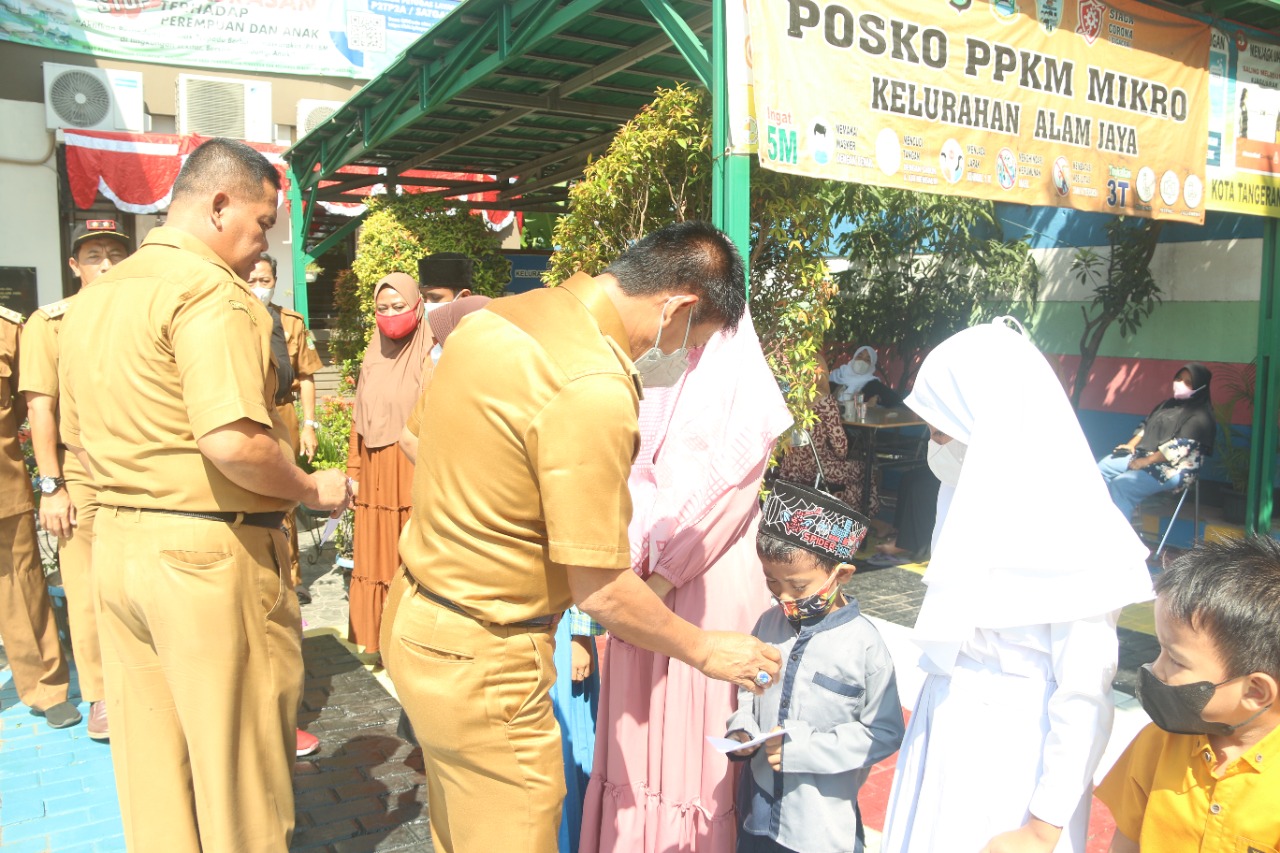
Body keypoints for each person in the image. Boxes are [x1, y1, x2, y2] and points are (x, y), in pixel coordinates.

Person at [383, 221, 782, 853]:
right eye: (692, 341)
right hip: (488, 653)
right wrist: (702, 649)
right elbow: (600, 591)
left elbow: (417, 439)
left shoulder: (500, 320)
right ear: (676, 306)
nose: (683, 357)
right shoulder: (593, 385)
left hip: (416, 618)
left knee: (456, 831)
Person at [57, 138, 350, 852]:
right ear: (219, 204)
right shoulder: (209, 292)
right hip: (206, 555)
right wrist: (312, 487)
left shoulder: (94, 303)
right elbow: (232, 442)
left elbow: (84, 438)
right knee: (239, 774)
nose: (259, 248)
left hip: (120, 546)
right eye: (258, 225)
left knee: (154, 768)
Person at [879, 319, 1154, 853]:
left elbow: (1084, 697)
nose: (933, 440)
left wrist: (1043, 824)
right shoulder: (965, 496)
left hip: (1013, 760)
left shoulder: (1079, 534)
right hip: (943, 734)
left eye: (941, 426)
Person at [581, 303, 792, 853]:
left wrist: (660, 579)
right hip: (644, 580)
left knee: (697, 749)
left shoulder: (739, 384)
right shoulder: (659, 375)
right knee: (637, 733)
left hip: (705, 580)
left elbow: (727, 499)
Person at [725, 480, 905, 853]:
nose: (785, 598)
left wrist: (806, 749)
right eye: (773, 583)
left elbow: (884, 732)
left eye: (798, 586)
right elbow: (749, 690)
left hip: (820, 827)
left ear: (841, 575)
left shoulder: (864, 647)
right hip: (757, 813)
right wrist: (742, 730)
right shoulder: (767, 624)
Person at [18, 219, 133, 739]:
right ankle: (102, 695)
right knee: (86, 589)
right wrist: (52, 485)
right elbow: (40, 408)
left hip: (139, 469)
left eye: (114, 253)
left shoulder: (138, 313)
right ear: (73, 266)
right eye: (93, 256)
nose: (106, 264)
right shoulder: (51, 323)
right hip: (82, 476)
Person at [1095, 536, 1279, 853]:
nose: (1155, 669)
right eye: (1160, 650)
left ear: (1255, 691)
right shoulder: (1155, 744)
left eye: (1176, 660)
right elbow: (1126, 843)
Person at [1, 305, 79, 729]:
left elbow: (30, 406)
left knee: (21, 589)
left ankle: (45, 687)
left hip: (2, 488)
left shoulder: (9, 330)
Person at [247, 253, 324, 595]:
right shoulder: (224, 317)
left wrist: (309, 425)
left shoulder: (290, 322)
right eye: (252, 281)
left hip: (282, 413)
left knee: (287, 492)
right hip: (247, 415)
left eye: (265, 281)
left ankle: (291, 576)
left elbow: (306, 376)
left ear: (275, 282)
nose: (258, 288)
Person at [1097, 363, 1214, 519]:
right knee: (1099, 469)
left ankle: (1116, 534)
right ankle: (1101, 516)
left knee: (1122, 485)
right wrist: (1130, 445)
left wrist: (1146, 461)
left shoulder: (1201, 416)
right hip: (1143, 456)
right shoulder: (1167, 405)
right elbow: (1146, 427)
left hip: (1175, 468)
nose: (1180, 384)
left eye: (1188, 382)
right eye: (1179, 378)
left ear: (1200, 386)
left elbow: (1177, 449)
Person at [777, 353, 878, 513]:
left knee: (855, 475)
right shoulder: (825, 401)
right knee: (865, 470)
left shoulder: (790, 400)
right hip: (817, 468)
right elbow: (841, 447)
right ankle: (858, 520)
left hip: (789, 469)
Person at [829, 345, 902, 408]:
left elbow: (895, 400)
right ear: (854, 358)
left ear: (871, 365)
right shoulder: (837, 375)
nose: (862, 361)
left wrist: (877, 400)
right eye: (859, 356)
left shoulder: (873, 384)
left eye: (867, 359)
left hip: (858, 423)